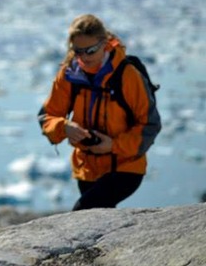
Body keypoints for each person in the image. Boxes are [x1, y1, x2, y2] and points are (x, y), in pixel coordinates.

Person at [38, 14, 161, 211]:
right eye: (77, 51)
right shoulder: (70, 73)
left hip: (124, 167)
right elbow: (47, 116)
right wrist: (64, 127)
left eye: (90, 50)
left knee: (82, 214)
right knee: (101, 223)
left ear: (104, 43)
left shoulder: (126, 75)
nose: (84, 57)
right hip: (86, 169)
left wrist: (113, 145)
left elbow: (150, 124)